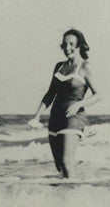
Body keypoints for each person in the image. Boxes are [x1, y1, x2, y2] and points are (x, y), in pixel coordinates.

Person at [28, 29, 101, 179]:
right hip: (55, 117)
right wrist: (37, 116)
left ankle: (74, 198)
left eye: (72, 44)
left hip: (73, 118)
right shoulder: (59, 66)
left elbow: (99, 95)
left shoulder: (85, 66)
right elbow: (50, 94)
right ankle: (63, 198)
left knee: (67, 162)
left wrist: (79, 104)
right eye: (64, 44)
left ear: (80, 45)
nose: (67, 48)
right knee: (59, 165)